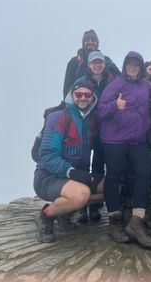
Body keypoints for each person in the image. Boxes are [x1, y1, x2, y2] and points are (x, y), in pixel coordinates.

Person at [98, 51, 151, 249]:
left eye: (136, 65)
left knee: (145, 174)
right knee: (113, 176)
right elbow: (101, 111)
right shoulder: (115, 86)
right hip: (114, 140)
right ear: (124, 66)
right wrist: (115, 105)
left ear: (140, 68)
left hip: (137, 140)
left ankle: (136, 221)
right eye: (129, 65)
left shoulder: (145, 85)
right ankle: (114, 222)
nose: (132, 68)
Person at [33, 81, 104, 243]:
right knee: (81, 195)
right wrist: (71, 172)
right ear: (72, 95)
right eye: (79, 94)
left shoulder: (92, 120)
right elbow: (47, 154)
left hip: (77, 177)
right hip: (48, 178)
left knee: (114, 187)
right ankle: (46, 216)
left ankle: (63, 211)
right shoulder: (58, 117)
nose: (83, 98)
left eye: (88, 95)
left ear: (93, 98)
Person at [65, 50, 116, 223]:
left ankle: (94, 206)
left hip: (106, 129)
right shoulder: (81, 82)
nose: (97, 65)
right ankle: (80, 208)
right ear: (88, 65)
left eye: (100, 62)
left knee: (99, 165)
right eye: (94, 63)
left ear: (104, 64)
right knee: (81, 165)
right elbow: (69, 103)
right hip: (86, 128)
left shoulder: (112, 80)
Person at [63, 29, 120, 99]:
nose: (90, 42)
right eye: (87, 40)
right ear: (83, 43)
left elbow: (119, 78)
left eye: (93, 40)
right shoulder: (75, 62)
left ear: (97, 44)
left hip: (104, 103)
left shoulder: (106, 60)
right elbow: (67, 87)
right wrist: (67, 105)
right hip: (81, 102)